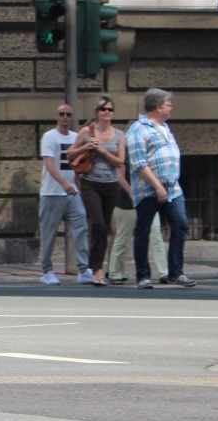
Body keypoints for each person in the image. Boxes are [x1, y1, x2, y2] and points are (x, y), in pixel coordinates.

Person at [126, 88, 195, 288]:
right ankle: (143, 276)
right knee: (143, 231)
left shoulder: (164, 127)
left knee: (181, 226)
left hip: (173, 189)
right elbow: (139, 163)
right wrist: (157, 186)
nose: (171, 108)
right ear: (158, 107)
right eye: (168, 105)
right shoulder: (138, 130)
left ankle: (175, 273)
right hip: (148, 190)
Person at [70, 96, 125, 286]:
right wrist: (86, 146)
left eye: (110, 109)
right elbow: (69, 153)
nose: (107, 112)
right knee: (99, 225)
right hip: (90, 184)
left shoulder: (119, 134)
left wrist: (101, 150)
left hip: (111, 185)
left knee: (106, 229)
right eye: (103, 109)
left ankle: (97, 269)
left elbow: (120, 162)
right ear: (97, 112)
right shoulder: (87, 131)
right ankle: (97, 269)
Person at [38, 103, 94, 285]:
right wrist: (64, 184)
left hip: (72, 193)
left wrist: (79, 187)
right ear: (56, 116)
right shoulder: (49, 137)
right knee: (49, 233)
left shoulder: (76, 137)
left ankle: (84, 269)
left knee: (81, 229)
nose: (64, 117)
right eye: (61, 114)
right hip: (52, 193)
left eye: (68, 114)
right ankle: (47, 271)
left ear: (71, 117)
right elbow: (49, 164)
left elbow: (78, 165)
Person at [107, 161, 167, 283]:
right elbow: (119, 176)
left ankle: (164, 273)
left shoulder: (150, 154)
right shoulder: (126, 152)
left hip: (148, 199)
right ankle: (115, 273)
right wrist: (131, 192)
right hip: (127, 203)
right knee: (122, 238)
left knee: (156, 236)